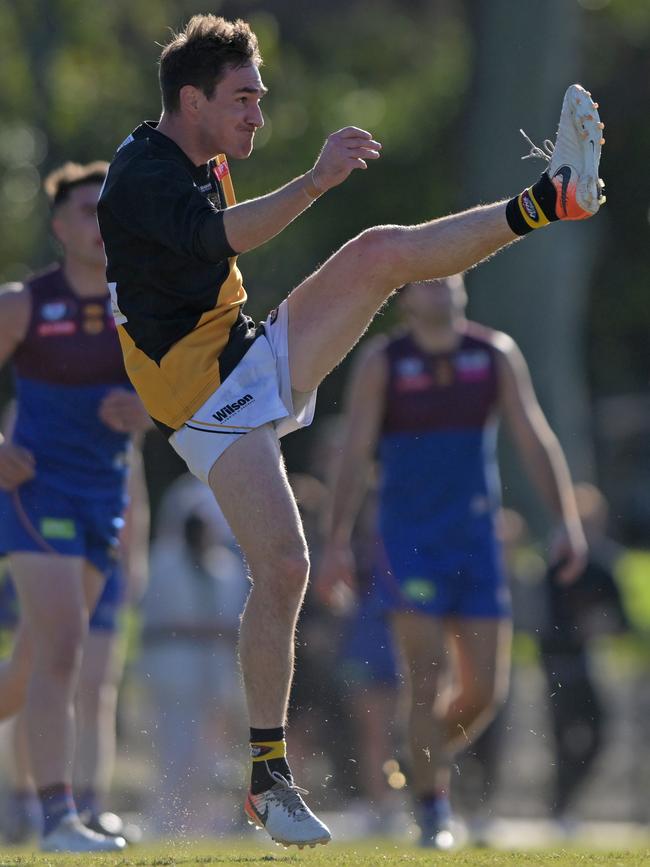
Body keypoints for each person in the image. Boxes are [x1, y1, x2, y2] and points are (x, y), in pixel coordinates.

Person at [96, 12, 604, 849]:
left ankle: (552, 197)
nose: (258, 112)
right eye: (244, 98)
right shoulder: (140, 173)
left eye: (260, 95)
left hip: (240, 351)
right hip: (197, 399)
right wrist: (316, 180)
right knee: (286, 565)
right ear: (190, 101)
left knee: (378, 253)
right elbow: (229, 235)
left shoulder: (203, 153)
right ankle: (268, 778)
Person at [316, 275, 588, 847]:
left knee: (486, 692)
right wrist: (336, 539)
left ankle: (418, 757)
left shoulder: (493, 353)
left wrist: (565, 519)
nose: (441, 286)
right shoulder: (384, 362)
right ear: (405, 299)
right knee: (425, 678)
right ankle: (432, 806)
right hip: (409, 543)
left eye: (451, 277)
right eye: (426, 280)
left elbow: (532, 434)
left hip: (476, 540)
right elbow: (356, 453)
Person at [0, 162, 151, 852]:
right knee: (64, 650)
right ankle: (58, 816)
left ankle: (61, 809)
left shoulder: (143, 306)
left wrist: (149, 408)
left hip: (106, 500)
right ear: (60, 226)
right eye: (86, 211)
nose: (99, 223)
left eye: (107, 210)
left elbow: (185, 395)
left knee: (30, 670)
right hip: (37, 493)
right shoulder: (24, 303)